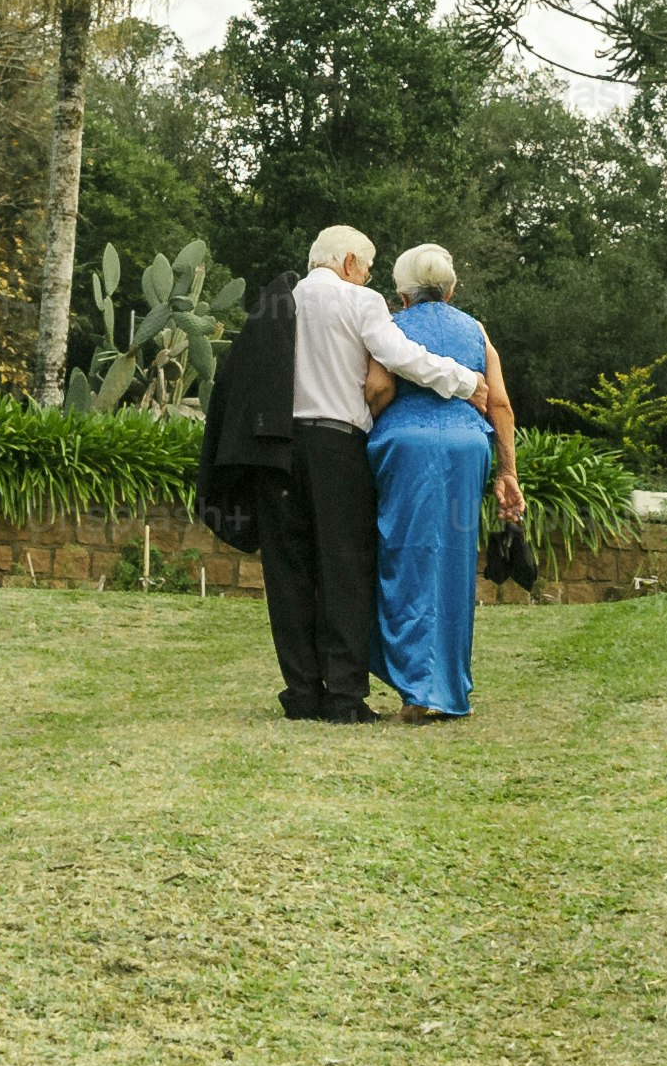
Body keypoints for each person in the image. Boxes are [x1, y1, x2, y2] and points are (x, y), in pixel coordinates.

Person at [220, 224, 489, 722]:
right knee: (345, 569)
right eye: (365, 268)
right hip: (336, 448)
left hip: (276, 449)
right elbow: (402, 358)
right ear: (348, 264)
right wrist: (465, 379)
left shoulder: (277, 302)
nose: (368, 279)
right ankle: (344, 698)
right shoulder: (360, 302)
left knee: (289, 573)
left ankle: (301, 693)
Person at [365, 241, 523, 722]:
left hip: (406, 448)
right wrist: (508, 472)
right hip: (463, 448)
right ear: (450, 290)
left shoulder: (392, 326)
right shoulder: (475, 329)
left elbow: (377, 387)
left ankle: (415, 691)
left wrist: (378, 419)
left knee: (404, 556)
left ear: (402, 292)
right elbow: (499, 404)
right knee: (453, 562)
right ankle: (451, 688)